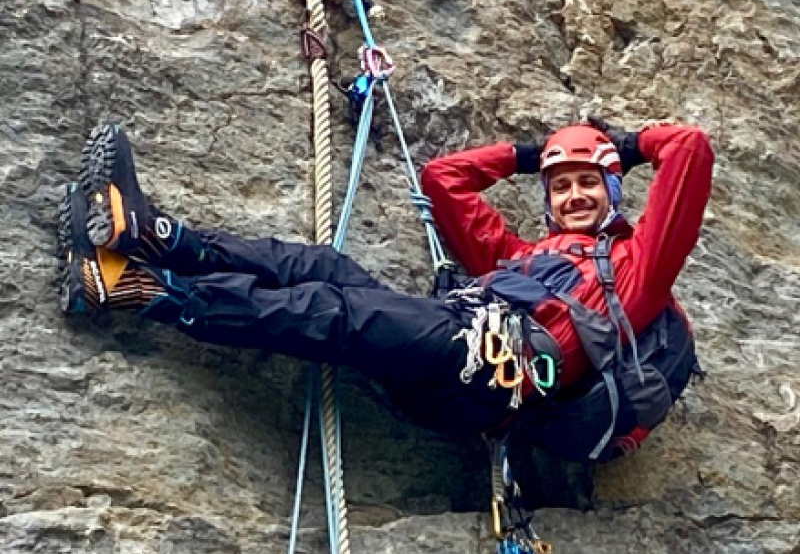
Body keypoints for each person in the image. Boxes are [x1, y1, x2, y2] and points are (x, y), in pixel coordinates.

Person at [57, 119, 713, 461]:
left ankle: (138, 288)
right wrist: (532, 152)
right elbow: (443, 180)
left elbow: (689, 148)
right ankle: (156, 235)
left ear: (614, 192)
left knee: (332, 312)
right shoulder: (522, 255)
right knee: (319, 268)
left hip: (489, 369)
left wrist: (618, 148)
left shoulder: (636, 268)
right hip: (454, 343)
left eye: (588, 183)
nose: (573, 194)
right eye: (560, 184)